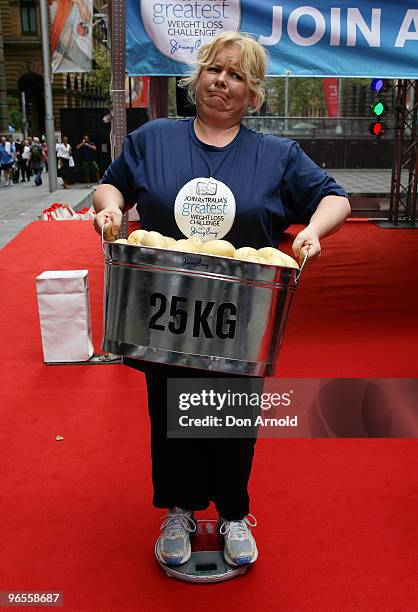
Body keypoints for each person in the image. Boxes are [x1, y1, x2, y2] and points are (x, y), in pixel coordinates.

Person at [93, 32, 351, 569]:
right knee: (169, 410)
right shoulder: (154, 139)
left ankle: (233, 511)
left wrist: (313, 233)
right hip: (164, 309)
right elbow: (110, 186)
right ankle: (180, 509)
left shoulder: (278, 155)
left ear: (253, 94)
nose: (221, 82)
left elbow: (333, 196)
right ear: (197, 77)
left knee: (231, 417)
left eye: (237, 75)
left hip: (242, 316)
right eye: (214, 69)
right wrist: (110, 210)